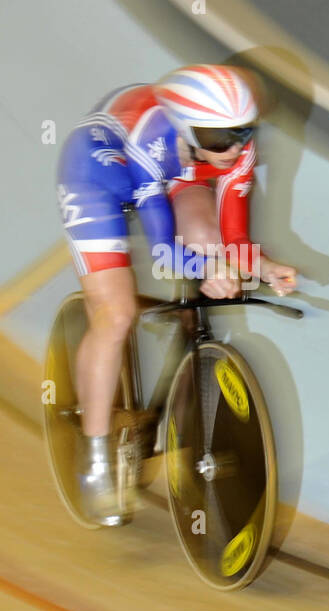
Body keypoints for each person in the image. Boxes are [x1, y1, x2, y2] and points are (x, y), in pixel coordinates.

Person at [55, 64, 297, 525]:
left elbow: (234, 238)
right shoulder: (154, 138)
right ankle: (95, 457)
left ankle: (190, 335)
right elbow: (164, 246)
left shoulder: (232, 148)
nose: (235, 148)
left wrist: (263, 266)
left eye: (243, 133)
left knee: (211, 243)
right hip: (98, 174)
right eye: (220, 136)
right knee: (116, 315)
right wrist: (205, 271)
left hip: (176, 170)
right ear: (188, 127)